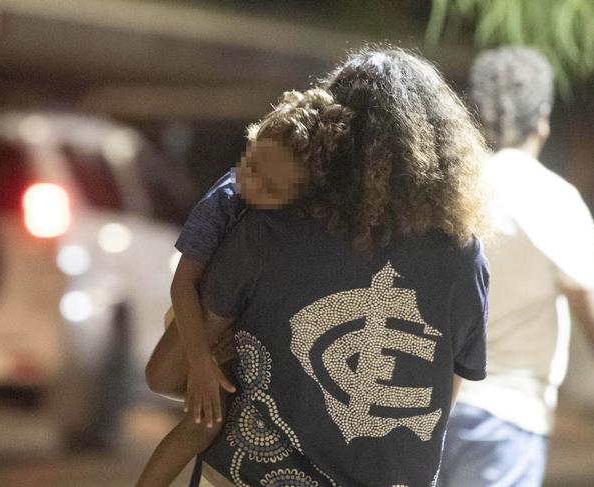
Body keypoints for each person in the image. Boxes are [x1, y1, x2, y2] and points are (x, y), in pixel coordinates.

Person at [145, 46, 491, 487]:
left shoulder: (266, 230)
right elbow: (444, 398)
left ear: (328, 140)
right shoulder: (464, 257)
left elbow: (166, 375)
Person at [438, 47, 594, 487]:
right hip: (507, 424)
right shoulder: (554, 200)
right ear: (542, 119)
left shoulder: (442, 193)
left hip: (426, 413)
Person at [137, 89, 331, 487]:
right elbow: (183, 284)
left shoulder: (300, 221)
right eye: (253, 166)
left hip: (248, 331)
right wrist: (202, 363)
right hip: (200, 320)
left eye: (273, 189)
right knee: (203, 425)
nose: (253, 185)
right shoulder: (224, 200)